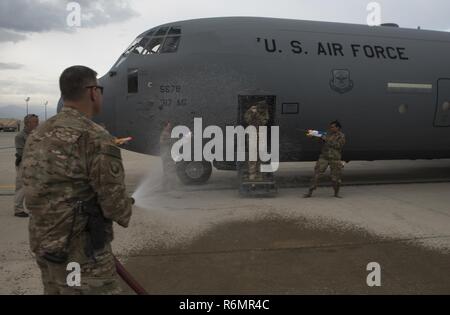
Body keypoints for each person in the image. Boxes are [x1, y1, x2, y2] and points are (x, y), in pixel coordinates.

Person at [21, 65, 133, 294]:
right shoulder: (96, 137)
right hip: (81, 257)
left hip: (45, 247)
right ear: (93, 92)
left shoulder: (38, 134)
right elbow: (116, 207)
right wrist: (126, 204)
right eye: (100, 89)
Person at [304, 120, 346, 198]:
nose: (331, 128)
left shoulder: (341, 136)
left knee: (335, 178)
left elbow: (338, 145)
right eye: (330, 127)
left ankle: (336, 193)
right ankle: (309, 192)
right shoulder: (327, 134)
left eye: (333, 127)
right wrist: (313, 136)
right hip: (324, 157)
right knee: (316, 175)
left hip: (335, 159)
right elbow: (320, 141)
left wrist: (326, 139)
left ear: (338, 128)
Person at [14, 114, 39, 217]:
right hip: (24, 164)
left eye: (37, 121)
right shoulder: (20, 136)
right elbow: (21, 152)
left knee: (33, 187)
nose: (37, 123)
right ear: (27, 123)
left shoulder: (37, 133)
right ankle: (18, 209)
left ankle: (31, 208)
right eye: (35, 122)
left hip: (36, 164)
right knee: (22, 187)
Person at [244, 102, 269, 181]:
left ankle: (259, 175)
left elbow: (263, 122)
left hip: (261, 134)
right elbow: (247, 120)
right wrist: (252, 112)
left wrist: (256, 114)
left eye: (262, 109)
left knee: (260, 156)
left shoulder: (265, 112)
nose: (261, 110)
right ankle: (252, 175)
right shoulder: (251, 110)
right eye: (260, 109)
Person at [159, 121, 177, 191]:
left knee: (167, 172)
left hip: (167, 155)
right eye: (168, 126)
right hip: (167, 156)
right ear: (165, 126)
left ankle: (165, 187)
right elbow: (162, 142)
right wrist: (171, 140)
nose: (170, 127)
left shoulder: (166, 133)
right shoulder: (165, 134)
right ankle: (171, 187)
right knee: (170, 171)